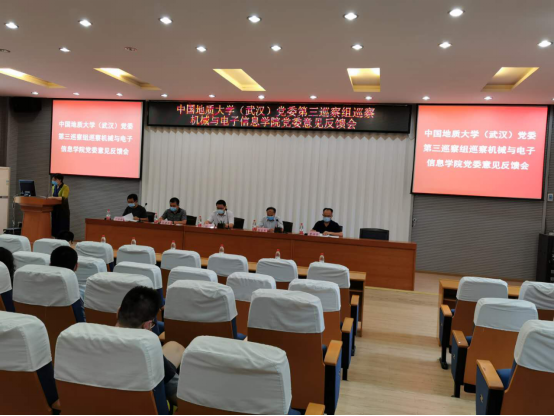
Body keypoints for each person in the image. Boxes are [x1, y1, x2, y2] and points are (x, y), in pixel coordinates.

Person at [116, 286, 185, 406]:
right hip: (141, 407)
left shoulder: (90, 341)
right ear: (147, 325)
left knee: (174, 347)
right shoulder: (149, 351)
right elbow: (179, 398)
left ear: (118, 312)